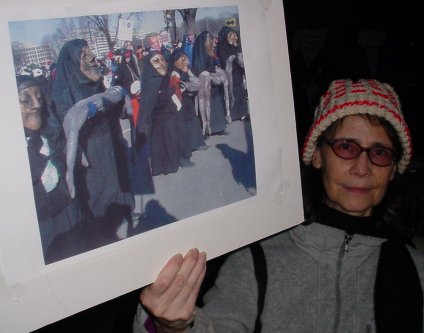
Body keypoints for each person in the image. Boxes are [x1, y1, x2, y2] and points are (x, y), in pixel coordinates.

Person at [134, 79, 424, 333]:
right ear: (318, 156)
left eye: (379, 152)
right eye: (346, 147)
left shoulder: (416, 269)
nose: (362, 168)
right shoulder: (257, 259)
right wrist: (173, 326)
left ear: (394, 168)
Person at [51, 39, 134, 220]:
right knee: (97, 194)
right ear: (73, 65)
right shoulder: (62, 95)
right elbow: (63, 134)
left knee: (117, 179)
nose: (93, 57)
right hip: (88, 152)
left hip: (109, 142)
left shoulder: (96, 84)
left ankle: (124, 208)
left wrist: (117, 96)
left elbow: (119, 113)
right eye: (84, 55)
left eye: (91, 53)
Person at [17, 76, 80, 260]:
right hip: (40, 233)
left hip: (69, 216)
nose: (36, 104)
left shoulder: (51, 136)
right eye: (24, 100)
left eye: (39, 97)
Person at [217, 26, 249, 122]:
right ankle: (233, 114)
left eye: (232, 34)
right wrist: (231, 58)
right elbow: (223, 60)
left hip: (237, 72)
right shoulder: (222, 46)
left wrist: (235, 48)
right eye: (230, 34)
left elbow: (239, 55)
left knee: (241, 91)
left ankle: (243, 113)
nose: (232, 36)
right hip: (229, 74)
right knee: (232, 93)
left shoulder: (235, 45)